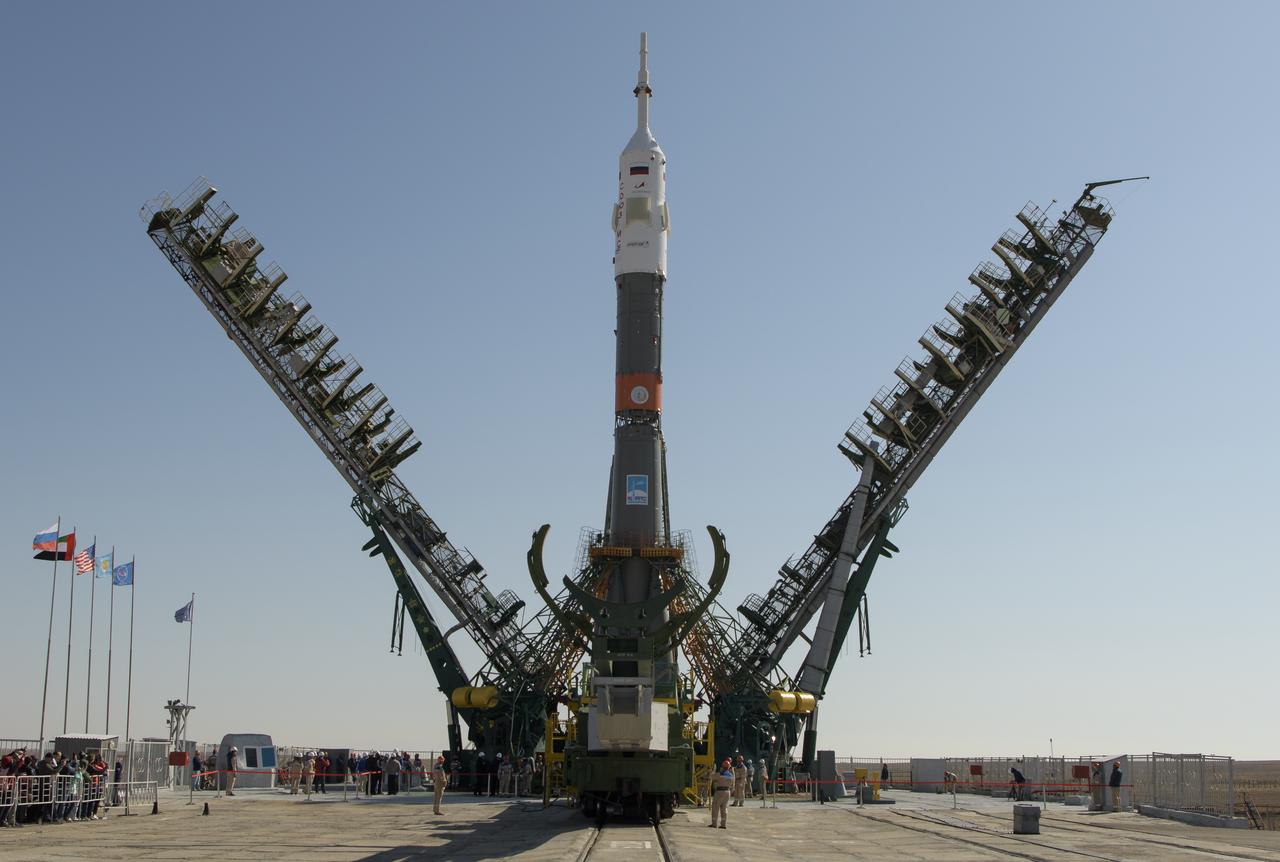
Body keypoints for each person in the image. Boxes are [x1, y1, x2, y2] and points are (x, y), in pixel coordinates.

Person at [709, 758, 733, 829]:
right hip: (727, 792)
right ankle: (723, 824)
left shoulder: (720, 774)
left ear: (722, 767)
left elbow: (711, 777)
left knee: (715, 807)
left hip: (719, 792)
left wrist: (712, 770)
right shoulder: (731, 775)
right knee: (724, 808)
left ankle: (714, 823)